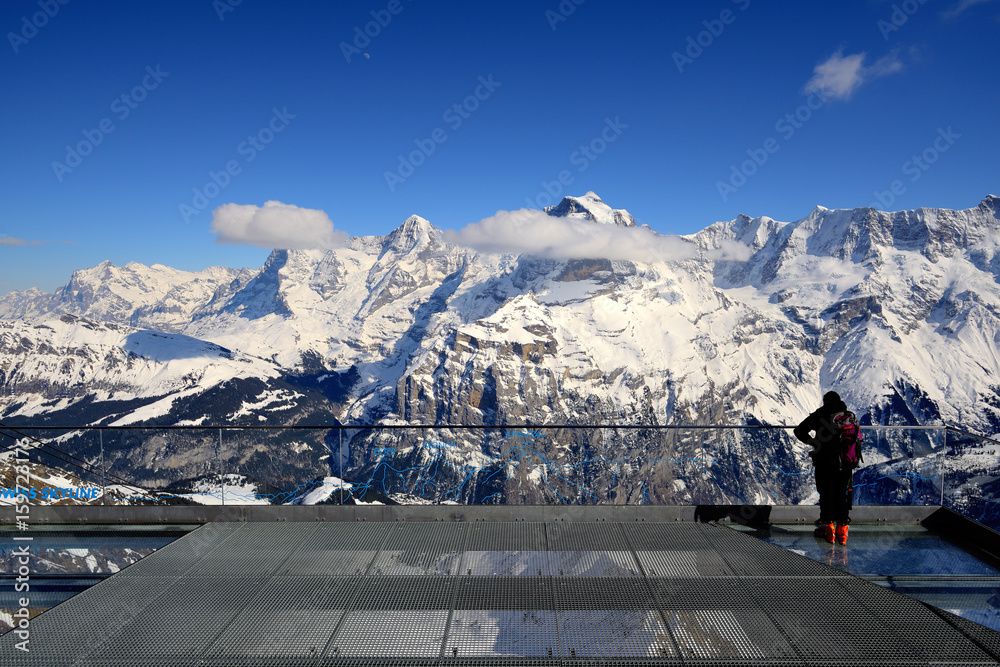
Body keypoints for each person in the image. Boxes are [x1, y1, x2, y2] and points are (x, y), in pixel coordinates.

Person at [794, 391, 854, 545]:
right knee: (841, 495)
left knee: (826, 495)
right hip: (846, 463)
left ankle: (828, 531)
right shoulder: (849, 416)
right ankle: (843, 532)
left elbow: (799, 431)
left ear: (825, 402)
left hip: (825, 463)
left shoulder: (821, 413)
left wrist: (813, 442)